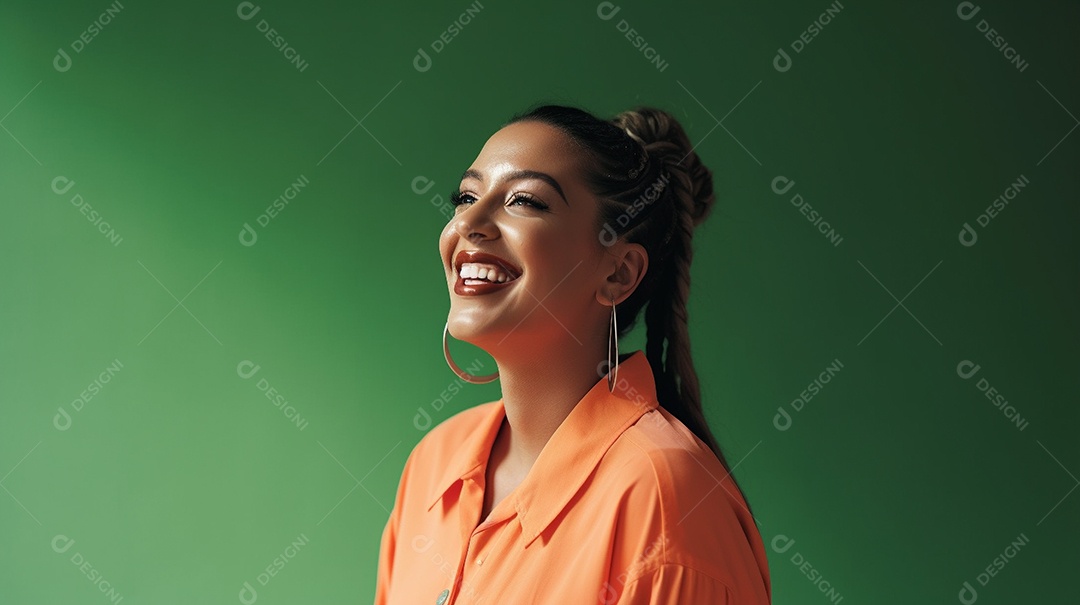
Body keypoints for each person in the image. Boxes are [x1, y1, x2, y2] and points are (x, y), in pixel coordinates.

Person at [375, 104, 771, 604]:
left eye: (524, 201)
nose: (470, 223)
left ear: (619, 272)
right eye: (466, 196)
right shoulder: (434, 464)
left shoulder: (666, 502)